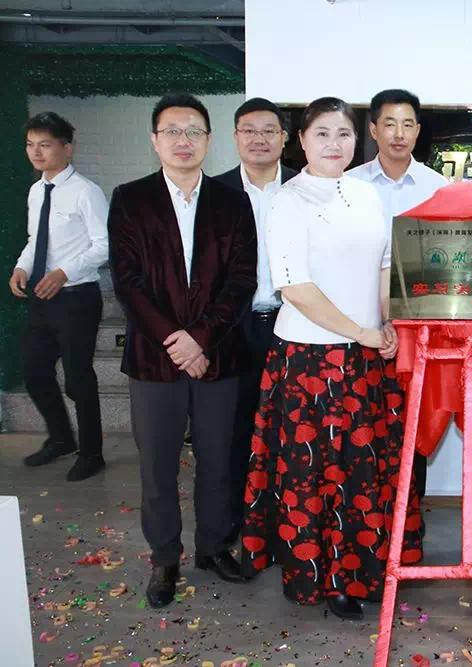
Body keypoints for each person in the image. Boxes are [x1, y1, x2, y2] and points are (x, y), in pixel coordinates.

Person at [241, 97, 422, 621]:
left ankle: (362, 570)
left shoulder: (364, 193)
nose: (333, 144)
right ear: (301, 140)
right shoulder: (288, 200)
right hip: (309, 361)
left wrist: (387, 321)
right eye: (321, 134)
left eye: (343, 134)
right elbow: (294, 287)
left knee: (363, 471)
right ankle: (325, 577)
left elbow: (384, 265)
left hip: (365, 357)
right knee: (318, 473)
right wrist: (361, 331)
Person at [108, 93, 257, 608]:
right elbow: (127, 282)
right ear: (155, 141)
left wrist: (202, 338)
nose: (183, 140)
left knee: (218, 460)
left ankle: (213, 546)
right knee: (158, 465)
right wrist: (177, 341)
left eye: (194, 131)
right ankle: (165, 557)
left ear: (209, 141)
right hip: (155, 359)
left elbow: (241, 280)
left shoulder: (232, 202)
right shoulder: (130, 199)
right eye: (172, 131)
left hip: (218, 355)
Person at [347, 89, 446, 499]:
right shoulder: (348, 184)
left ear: (418, 131)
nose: (398, 134)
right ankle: (365, 515)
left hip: (416, 326)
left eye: (407, 125)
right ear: (373, 130)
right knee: (360, 423)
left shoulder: (438, 187)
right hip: (356, 323)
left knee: (411, 424)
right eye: (389, 124)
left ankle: (409, 516)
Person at [215, 97, 298, 545]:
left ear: (284, 138)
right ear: (235, 137)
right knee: (233, 428)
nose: (259, 139)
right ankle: (234, 518)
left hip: (294, 325)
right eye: (249, 130)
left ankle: (288, 519)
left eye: (269, 130)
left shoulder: (306, 189)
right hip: (233, 327)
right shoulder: (214, 192)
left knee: (291, 430)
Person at [10, 112, 108, 482]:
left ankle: (92, 453)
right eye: (30, 145)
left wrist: (64, 272)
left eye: (45, 145)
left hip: (77, 298)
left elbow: (104, 244)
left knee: (78, 378)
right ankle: (61, 438)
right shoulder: (37, 191)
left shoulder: (86, 191)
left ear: (67, 148)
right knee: (34, 371)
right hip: (42, 298)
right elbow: (36, 240)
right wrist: (22, 266)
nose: (36, 152)